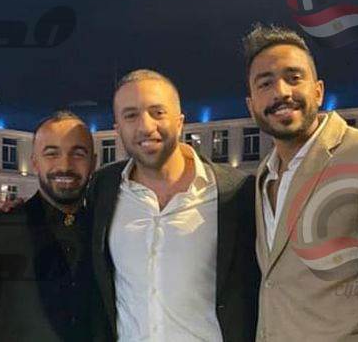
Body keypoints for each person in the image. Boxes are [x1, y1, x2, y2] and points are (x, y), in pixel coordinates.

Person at [242, 24, 358, 341]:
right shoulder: (264, 175)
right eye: (265, 83)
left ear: (318, 91)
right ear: (251, 105)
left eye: (293, 77)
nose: (281, 92)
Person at [89, 69, 259, 342]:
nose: (146, 126)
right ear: (118, 129)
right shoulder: (103, 189)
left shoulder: (235, 192)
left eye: (157, 112)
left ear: (180, 122)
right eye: (131, 115)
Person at [0, 111, 95, 341]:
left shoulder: (106, 232)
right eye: (51, 153)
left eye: (78, 154)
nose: (65, 165)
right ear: (34, 163)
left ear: (93, 162)